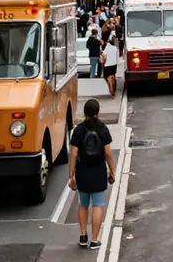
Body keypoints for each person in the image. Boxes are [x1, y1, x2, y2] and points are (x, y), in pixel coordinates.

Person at [68, 99, 115, 250]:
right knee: (98, 205)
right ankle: (95, 240)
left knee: (83, 205)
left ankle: (83, 236)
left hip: (83, 171)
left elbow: (74, 154)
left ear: (84, 112)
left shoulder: (79, 130)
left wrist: (71, 176)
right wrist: (112, 171)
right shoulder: (103, 129)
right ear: (98, 111)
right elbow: (108, 153)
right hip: (99, 170)